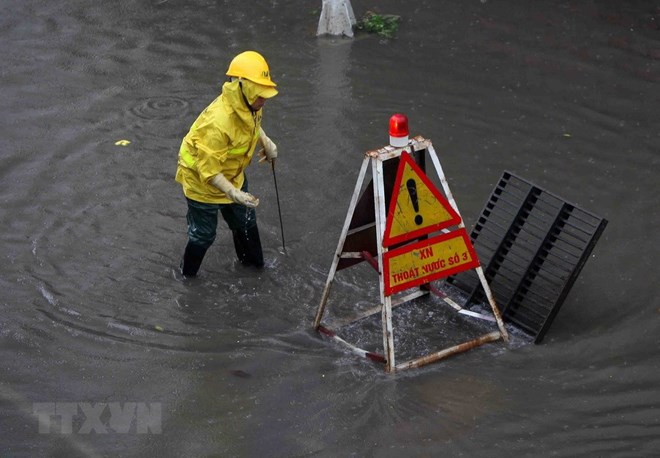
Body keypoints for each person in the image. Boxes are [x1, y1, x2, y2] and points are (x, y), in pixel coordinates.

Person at [175, 50, 279, 277]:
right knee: (203, 235)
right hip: (201, 183)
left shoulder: (250, 104)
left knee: (246, 221)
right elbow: (209, 171)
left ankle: (254, 268)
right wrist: (233, 193)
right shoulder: (217, 123)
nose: (264, 100)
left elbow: (250, 123)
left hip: (233, 175)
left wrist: (265, 140)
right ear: (243, 87)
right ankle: (186, 278)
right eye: (260, 94)